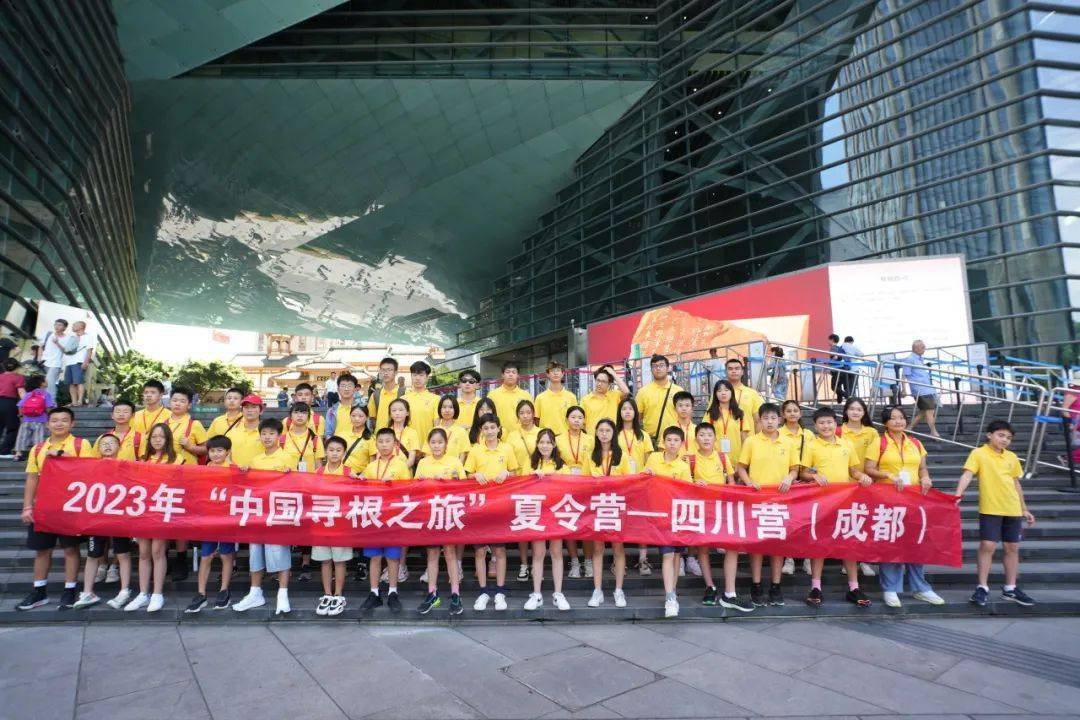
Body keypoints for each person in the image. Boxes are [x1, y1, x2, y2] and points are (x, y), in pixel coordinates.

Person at [864, 405, 944, 607]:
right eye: (893, 418)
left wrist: (926, 478)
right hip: (888, 500)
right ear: (885, 422)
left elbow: (922, 468)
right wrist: (888, 475)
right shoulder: (879, 442)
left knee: (916, 542)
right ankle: (891, 588)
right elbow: (869, 469)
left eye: (901, 417)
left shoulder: (915, 443)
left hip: (914, 500)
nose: (898, 421)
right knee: (891, 542)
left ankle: (921, 588)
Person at [16, 407, 94, 611]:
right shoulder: (38, 448)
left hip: (70, 506)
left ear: (72, 423)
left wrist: (62, 455)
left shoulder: (81, 444)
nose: (59, 424)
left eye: (64, 420)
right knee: (42, 550)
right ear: (47, 424)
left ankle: (70, 590)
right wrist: (27, 506)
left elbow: (88, 471)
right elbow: (32, 478)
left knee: (71, 549)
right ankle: (39, 591)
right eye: (55, 420)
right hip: (43, 506)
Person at [955, 420, 1036, 607]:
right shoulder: (978, 453)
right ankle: (982, 587)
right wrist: (958, 494)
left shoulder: (1011, 457)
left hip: (1012, 508)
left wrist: (1024, 508)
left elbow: (1015, 483)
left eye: (1008, 437)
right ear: (989, 435)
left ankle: (1010, 588)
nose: (1005, 440)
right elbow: (967, 474)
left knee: (1012, 547)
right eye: (1001, 435)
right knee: (987, 545)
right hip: (991, 508)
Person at [799, 408, 874, 607]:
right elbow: (803, 473)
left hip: (844, 501)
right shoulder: (812, 445)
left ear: (836, 423)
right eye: (821, 423)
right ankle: (816, 587)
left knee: (848, 542)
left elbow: (853, 471)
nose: (826, 426)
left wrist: (862, 476)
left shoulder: (846, 444)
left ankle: (854, 588)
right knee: (818, 544)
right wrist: (814, 475)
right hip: (820, 502)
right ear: (815, 426)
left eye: (829, 422)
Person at [738, 402, 798, 607]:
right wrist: (748, 482)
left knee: (777, 544)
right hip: (756, 500)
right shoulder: (751, 441)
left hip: (781, 500)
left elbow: (795, 469)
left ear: (779, 419)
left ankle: (776, 585)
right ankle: (756, 585)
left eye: (773, 418)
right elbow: (741, 467)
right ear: (759, 421)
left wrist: (790, 477)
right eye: (765, 418)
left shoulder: (788, 442)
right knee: (757, 544)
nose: (770, 422)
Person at [233, 417, 294, 615]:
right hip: (258, 513)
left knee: (280, 552)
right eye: (264, 434)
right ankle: (255, 592)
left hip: (278, 513)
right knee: (255, 552)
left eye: (271, 433)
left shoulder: (288, 457)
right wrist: (244, 472)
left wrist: (289, 474)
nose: (267, 437)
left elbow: (297, 484)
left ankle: (283, 594)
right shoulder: (256, 460)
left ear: (279, 436)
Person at [124, 422, 184, 612]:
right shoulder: (143, 460)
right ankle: (143, 594)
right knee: (143, 553)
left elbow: (181, 483)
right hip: (144, 510)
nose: (157, 440)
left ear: (168, 439)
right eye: (154, 437)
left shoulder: (177, 459)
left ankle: (157, 593)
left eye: (161, 436)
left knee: (158, 551)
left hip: (162, 510)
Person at [71, 434, 134, 610]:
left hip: (120, 517)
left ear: (119, 447)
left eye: (112, 443)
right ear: (97, 448)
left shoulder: (126, 467)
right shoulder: (91, 468)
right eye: (103, 443)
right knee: (93, 554)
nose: (107, 446)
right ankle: (87, 592)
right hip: (96, 517)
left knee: (123, 554)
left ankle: (124, 590)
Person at [466, 413, 518, 611]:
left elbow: (516, 472)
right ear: (481, 430)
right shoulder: (475, 450)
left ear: (498, 428)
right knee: (480, 551)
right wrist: (474, 475)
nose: (489, 431)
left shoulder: (507, 448)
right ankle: (483, 592)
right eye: (485, 428)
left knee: (500, 551)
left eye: (492, 427)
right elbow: (466, 474)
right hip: (480, 507)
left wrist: (508, 473)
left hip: (500, 505)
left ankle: (500, 592)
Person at [690, 423, 743, 608]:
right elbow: (684, 483)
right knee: (703, 549)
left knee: (731, 546)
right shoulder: (689, 459)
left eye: (709, 435)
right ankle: (710, 586)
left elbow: (731, 481)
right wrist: (695, 484)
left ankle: (730, 591)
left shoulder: (722, 457)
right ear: (696, 438)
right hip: (701, 510)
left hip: (721, 509)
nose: (706, 438)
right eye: (702, 434)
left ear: (715, 438)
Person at [414, 428, 466, 615]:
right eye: (433, 442)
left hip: (449, 512)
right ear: (428, 444)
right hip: (430, 513)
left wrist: (447, 481)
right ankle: (432, 593)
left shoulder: (454, 461)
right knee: (432, 553)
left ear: (446, 444)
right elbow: (414, 488)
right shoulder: (423, 462)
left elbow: (463, 486)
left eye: (440, 442)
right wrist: (422, 482)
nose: (436, 446)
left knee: (450, 553)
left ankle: (455, 594)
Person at [359, 427, 412, 613]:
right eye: (380, 441)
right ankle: (374, 593)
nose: (384, 445)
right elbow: (362, 491)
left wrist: (394, 485)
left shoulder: (401, 465)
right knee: (374, 557)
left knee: (392, 557)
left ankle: (392, 592)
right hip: (374, 517)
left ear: (395, 444)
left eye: (388, 441)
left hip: (393, 518)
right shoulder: (370, 467)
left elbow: (408, 491)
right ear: (376, 444)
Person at [645, 426, 693, 618]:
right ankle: (670, 596)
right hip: (659, 515)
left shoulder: (683, 466)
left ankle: (672, 593)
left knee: (676, 555)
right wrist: (646, 474)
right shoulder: (654, 458)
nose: (672, 443)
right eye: (669, 440)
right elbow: (644, 480)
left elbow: (686, 491)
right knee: (667, 555)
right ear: (663, 442)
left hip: (677, 516)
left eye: (676, 440)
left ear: (682, 444)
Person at [187, 435, 238, 613]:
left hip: (226, 520)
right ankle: (201, 593)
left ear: (228, 452)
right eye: (212, 451)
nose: (216, 454)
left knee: (226, 555)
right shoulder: (204, 469)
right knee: (206, 555)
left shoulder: (234, 469)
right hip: (208, 519)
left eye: (220, 451)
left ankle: (224, 590)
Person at [524, 429, 571, 611]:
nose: (545, 446)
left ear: (554, 445)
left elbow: (569, 487)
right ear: (537, 444)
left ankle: (558, 594)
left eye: (548, 442)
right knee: (538, 553)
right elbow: (521, 486)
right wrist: (533, 477)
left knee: (557, 552)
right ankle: (536, 594)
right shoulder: (530, 463)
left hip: (555, 514)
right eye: (542, 442)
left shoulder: (562, 466)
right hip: (537, 513)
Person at [588, 419, 631, 608]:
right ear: (596, 433)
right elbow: (583, 482)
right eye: (601, 430)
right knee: (597, 549)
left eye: (608, 430)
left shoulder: (622, 456)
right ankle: (597, 590)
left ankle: (618, 590)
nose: (604, 434)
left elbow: (629, 482)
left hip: (615, 505)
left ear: (614, 433)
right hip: (598, 505)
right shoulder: (590, 455)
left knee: (618, 549)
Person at [313, 436, 354, 617]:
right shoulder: (318, 472)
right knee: (325, 560)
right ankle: (327, 594)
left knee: (339, 561)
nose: (334, 453)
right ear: (325, 452)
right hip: (321, 523)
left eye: (338, 450)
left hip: (341, 524)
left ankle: (338, 594)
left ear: (344, 453)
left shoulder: (349, 472)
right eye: (331, 450)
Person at [617, 397, 656, 576]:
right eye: (624, 408)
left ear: (635, 413)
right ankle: (619, 560)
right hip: (620, 483)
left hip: (640, 484)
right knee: (620, 521)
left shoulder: (643, 435)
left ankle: (643, 559)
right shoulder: (615, 433)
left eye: (630, 409)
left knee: (641, 520)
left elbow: (650, 459)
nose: (627, 412)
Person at [506, 399, 541, 581]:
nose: (526, 416)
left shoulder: (541, 433)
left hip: (537, 484)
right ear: (517, 415)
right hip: (518, 484)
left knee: (536, 525)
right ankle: (524, 564)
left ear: (533, 414)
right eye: (522, 413)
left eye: (528, 412)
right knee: (522, 525)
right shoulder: (512, 435)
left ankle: (536, 565)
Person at [556, 406, 594, 578]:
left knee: (586, 524)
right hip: (565, 486)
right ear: (566, 420)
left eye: (580, 417)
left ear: (584, 420)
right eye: (573, 417)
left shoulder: (590, 439)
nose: (577, 420)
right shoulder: (558, 439)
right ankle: (575, 562)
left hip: (586, 486)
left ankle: (588, 561)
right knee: (569, 523)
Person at [705, 379, 751, 474]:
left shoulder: (740, 414)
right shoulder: (710, 414)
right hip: (715, 460)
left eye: (726, 390)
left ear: (732, 392)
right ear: (715, 394)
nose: (723, 393)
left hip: (736, 460)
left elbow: (744, 440)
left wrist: (742, 463)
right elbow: (705, 436)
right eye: (719, 391)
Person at [636, 354, 683, 444]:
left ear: (668, 368)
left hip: (674, 441)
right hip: (651, 441)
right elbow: (637, 418)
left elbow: (684, 416)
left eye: (661, 365)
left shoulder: (678, 391)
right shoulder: (643, 392)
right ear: (651, 369)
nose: (658, 368)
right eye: (654, 366)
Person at [900, 340, 940, 437]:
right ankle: (934, 432)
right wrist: (904, 389)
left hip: (927, 389)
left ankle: (909, 428)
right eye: (922, 347)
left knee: (924, 411)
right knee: (929, 410)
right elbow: (904, 375)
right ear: (916, 348)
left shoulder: (919, 359)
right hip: (920, 390)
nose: (924, 349)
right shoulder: (910, 359)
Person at [14, 375, 53, 463]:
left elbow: (20, 406)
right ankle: (37, 456)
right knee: (38, 439)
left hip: (26, 420)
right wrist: (50, 418)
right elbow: (48, 408)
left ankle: (18, 454)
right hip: (40, 421)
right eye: (45, 380)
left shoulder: (29, 394)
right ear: (41, 383)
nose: (47, 381)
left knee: (22, 437)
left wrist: (21, 417)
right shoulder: (45, 394)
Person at [487, 360, 533, 434]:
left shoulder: (526, 395)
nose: (511, 374)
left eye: (514, 372)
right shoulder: (492, 395)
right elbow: (488, 417)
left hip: (520, 435)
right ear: (502, 375)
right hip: (498, 435)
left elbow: (531, 418)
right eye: (508, 372)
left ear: (518, 375)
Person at [580, 365, 629, 432]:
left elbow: (626, 391)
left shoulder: (614, 395)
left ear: (609, 384)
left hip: (611, 436)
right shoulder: (585, 400)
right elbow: (582, 423)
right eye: (598, 380)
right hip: (592, 437)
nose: (599, 384)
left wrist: (613, 373)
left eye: (603, 381)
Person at [533, 360, 577, 436]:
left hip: (565, 437)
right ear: (548, 374)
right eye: (552, 371)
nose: (555, 373)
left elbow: (574, 418)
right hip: (546, 438)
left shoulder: (571, 397)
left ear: (563, 374)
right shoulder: (540, 398)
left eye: (558, 370)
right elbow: (536, 420)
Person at [37, 319, 74, 399]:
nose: (57, 326)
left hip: (55, 364)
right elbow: (40, 346)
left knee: (49, 383)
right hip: (43, 362)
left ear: (65, 328)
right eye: (56, 324)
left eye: (60, 325)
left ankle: (52, 403)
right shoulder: (48, 334)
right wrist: (39, 358)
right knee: (42, 383)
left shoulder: (68, 338)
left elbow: (66, 351)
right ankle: (42, 401)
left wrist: (57, 343)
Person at [403, 361, 440, 442]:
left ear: (427, 377)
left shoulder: (436, 399)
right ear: (411, 376)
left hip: (428, 445)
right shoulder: (403, 399)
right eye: (414, 375)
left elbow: (437, 426)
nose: (417, 378)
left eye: (421, 375)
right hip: (407, 445)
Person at [62, 321, 94, 406]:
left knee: (79, 382)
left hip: (79, 362)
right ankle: (74, 402)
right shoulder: (72, 337)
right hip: (69, 362)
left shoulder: (88, 337)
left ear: (81, 326)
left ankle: (80, 401)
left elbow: (89, 350)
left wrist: (86, 362)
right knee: (71, 383)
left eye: (74, 325)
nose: (72, 326)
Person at [726, 358, 763, 429]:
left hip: (748, 435)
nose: (733, 371)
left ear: (742, 372)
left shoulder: (752, 393)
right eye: (730, 369)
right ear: (726, 372)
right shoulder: (718, 393)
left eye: (737, 368)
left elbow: (758, 421)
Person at [369, 357, 404, 430]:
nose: (385, 373)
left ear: (396, 372)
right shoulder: (375, 395)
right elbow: (372, 417)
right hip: (380, 435)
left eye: (389, 370)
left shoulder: (404, 393)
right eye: (383, 370)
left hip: (399, 435)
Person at [0, 358, 26, 457]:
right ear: (17, 367)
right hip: (10, 403)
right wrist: (28, 403)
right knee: (13, 428)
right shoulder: (18, 377)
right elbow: (21, 392)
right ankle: (4, 451)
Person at [324, 372, 361, 438]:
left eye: (349, 386)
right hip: (338, 444)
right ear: (338, 389)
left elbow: (368, 432)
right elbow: (328, 434)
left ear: (355, 389)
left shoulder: (363, 409)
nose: (346, 389)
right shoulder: (332, 411)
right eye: (343, 386)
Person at [826, 333, 848, 403]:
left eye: (829, 340)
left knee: (834, 387)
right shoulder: (839, 348)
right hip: (842, 369)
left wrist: (829, 362)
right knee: (838, 386)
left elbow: (835, 357)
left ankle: (848, 396)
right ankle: (839, 402)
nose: (828, 341)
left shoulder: (833, 348)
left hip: (836, 370)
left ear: (832, 340)